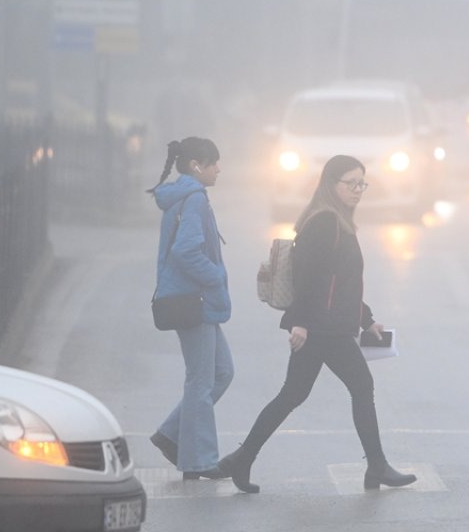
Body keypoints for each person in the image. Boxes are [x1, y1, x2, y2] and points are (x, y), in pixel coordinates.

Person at [218, 155, 416, 494]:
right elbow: (310, 278)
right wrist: (301, 323)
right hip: (323, 327)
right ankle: (377, 466)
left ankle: (241, 458)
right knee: (360, 387)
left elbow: (341, 282)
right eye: (351, 183)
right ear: (331, 184)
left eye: (362, 183)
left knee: (293, 394)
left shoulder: (337, 220)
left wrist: (366, 320)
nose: (358, 190)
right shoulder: (325, 222)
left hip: (329, 324)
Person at [147, 137, 234, 480]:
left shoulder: (184, 196)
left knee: (221, 373)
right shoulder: (194, 198)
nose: (219, 169)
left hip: (196, 301)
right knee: (201, 381)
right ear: (197, 166)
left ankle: (171, 435)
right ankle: (199, 461)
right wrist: (216, 276)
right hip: (193, 301)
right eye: (214, 163)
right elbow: (187, 251)